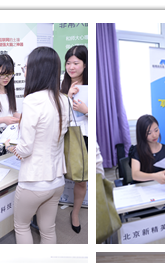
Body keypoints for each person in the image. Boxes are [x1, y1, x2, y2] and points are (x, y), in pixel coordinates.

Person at [9, 47, 70, 244]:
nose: (24, 72)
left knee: (21, 226)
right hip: (57, 180)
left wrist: (11, 147)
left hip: (34, 181)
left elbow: (25, 149)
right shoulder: (64, 99)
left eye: (26, 67)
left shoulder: (32, 100)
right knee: (48, 229)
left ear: (37, 70)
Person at [61, 45, 88, 233]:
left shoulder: (92, 87)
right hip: (61, 135)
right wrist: (66, 99)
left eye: (76, 63)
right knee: (56, 175)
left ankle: (75, 213)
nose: (71, 67)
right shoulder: (60, 86)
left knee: (81, 178)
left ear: (85, 65)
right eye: (68, 63)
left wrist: (86, 111)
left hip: (83, 136)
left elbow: (103, 118)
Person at [129, 115, 165, 184]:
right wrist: (155, 176)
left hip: (160, 186)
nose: (154, 135)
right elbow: (135, 175)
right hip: (141, 186)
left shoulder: (164, 149)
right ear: (141, 134)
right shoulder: (137, 150)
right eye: (149, 133)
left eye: (156, 130)